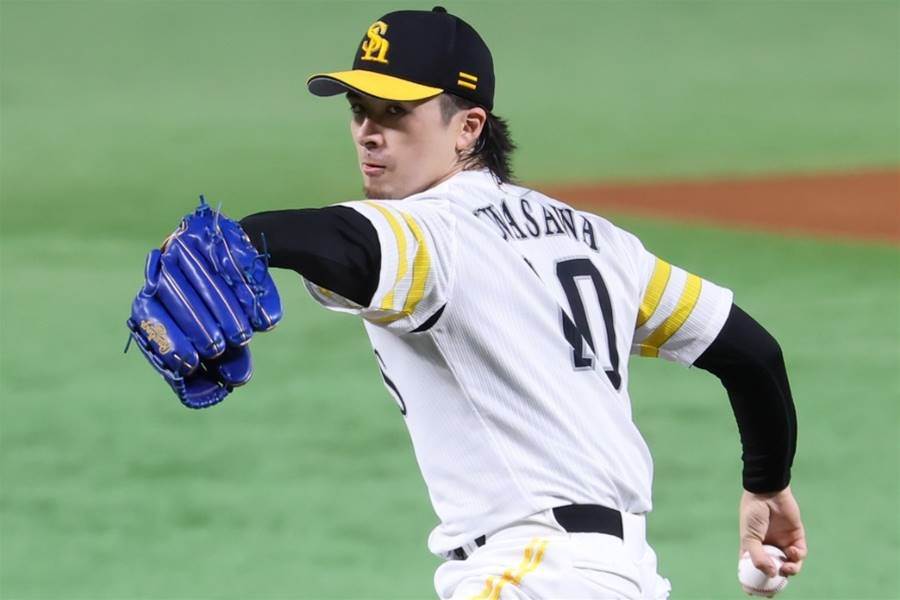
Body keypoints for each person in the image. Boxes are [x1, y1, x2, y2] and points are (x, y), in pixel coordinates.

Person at [238, 7, 807, 599]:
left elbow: (341, 240)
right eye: (360, 109)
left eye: (396, 112)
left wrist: (241, 238)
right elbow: (753, 355)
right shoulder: (600, 241)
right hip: (624, 574)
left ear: (468, 127)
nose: (368, 132)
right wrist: (767, 485)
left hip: (536, 572)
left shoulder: (433, 231)